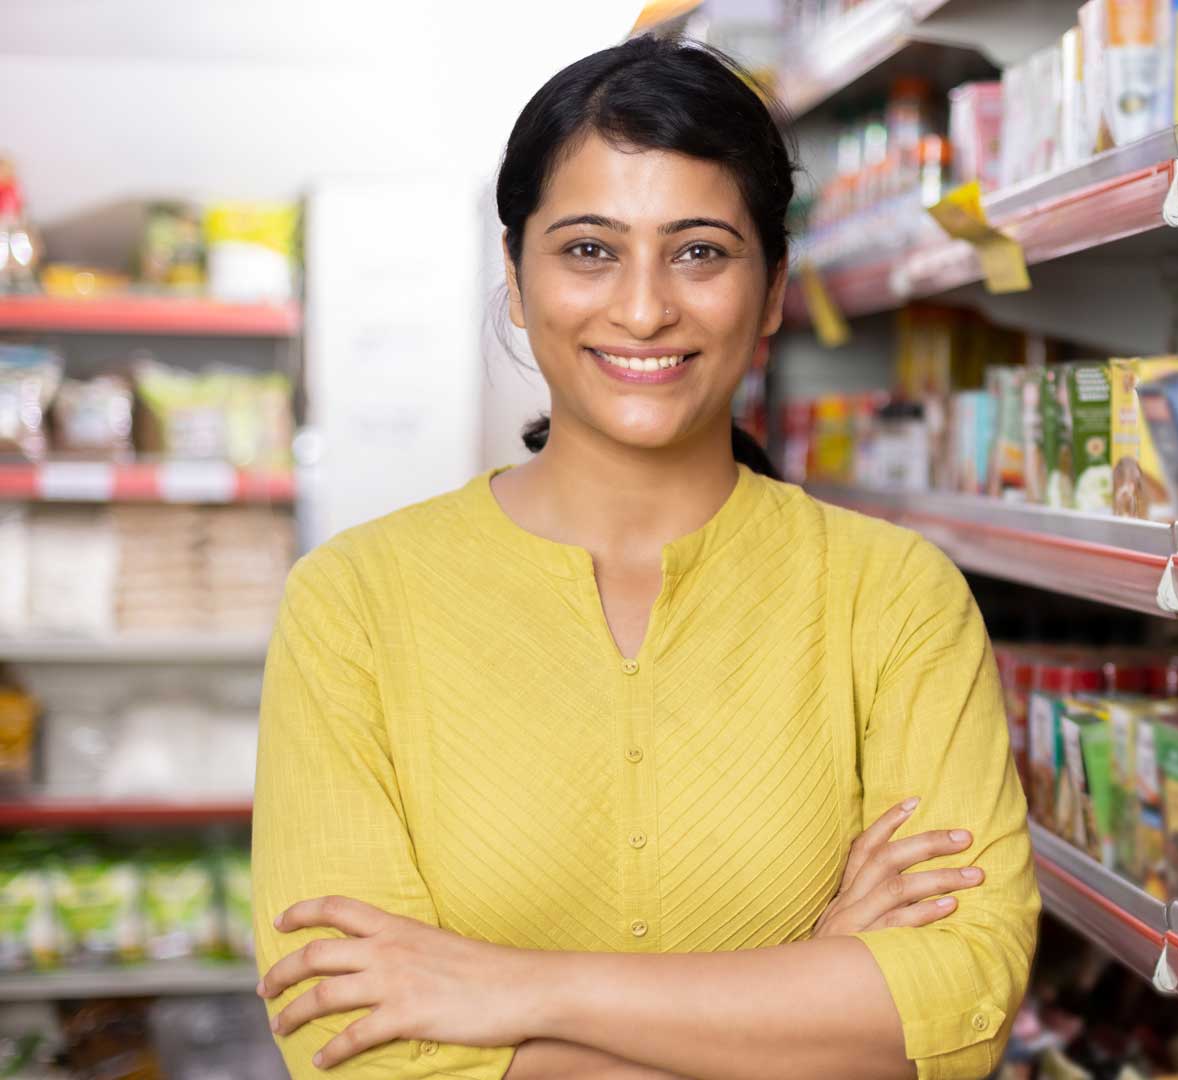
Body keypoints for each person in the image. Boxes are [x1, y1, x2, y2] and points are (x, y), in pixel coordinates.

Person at [249, 34, 1038, 1080]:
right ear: (516, 277)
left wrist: (516, 989)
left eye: (700, 251)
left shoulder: (892, 597)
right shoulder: (352, 603)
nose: (642, 308)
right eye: (589, 250)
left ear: (771, 289)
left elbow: (961, 1006)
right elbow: (349, 1039)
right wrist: (811, 992)